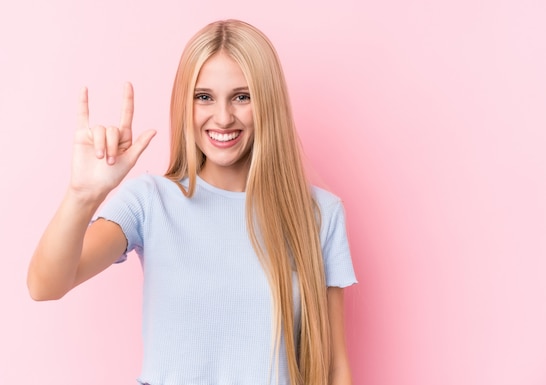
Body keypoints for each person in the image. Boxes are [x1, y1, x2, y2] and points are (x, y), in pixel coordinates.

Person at [27, 19, 357, 385]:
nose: (223, 117)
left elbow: (333, 367)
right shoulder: (150, 201)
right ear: (186, 103)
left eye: (242, 97)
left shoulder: (319, 214)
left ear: (268, 102)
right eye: (204, 97)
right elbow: (46, 286)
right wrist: (82, 196)